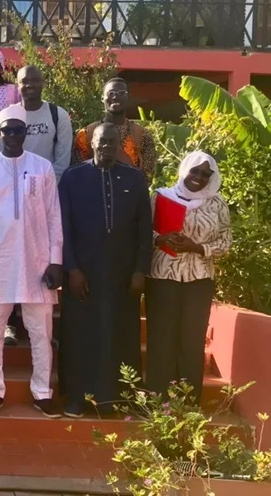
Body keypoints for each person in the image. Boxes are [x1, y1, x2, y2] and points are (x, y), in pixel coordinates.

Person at [0, 105, 63, 418]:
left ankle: (42, 392)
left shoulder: (42, 167)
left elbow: (53, 216)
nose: (12, 135)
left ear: (25, 132)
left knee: (41, 333)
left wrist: (55, 260)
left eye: (17, 130)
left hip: (37, 261)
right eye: (6, 130)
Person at [58, 123, 152, 418]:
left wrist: (140, 270)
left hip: (122, 275)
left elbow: (144, 229)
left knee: (119, 334)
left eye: (113, 142)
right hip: (83, 274)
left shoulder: (135, 178)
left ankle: (118, 399)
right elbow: (62, 228)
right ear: (92, 144)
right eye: (102, 141)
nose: (107, 146)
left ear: (119, 145)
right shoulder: (73, 177)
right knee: (79, 334)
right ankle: (76, 398)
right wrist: (71, 268)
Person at [146, 151, 231, 402]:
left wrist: (197, 247)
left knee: (192, 340)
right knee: (161, 337)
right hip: (163, 276)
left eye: (206, 174)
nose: (199, 177)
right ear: (185, 169)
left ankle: (188, 402)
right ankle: (158, 400)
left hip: (199, 279)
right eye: (195, 170)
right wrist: (160, 239)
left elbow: (225, 242)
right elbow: (141, 232)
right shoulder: (160, 197)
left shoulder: (217, 203)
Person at [0, 65, 73, 347]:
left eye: (35, 80)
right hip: (10, 199)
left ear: (43, 82)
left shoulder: (57, 115)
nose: (29, 85)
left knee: (38, 260)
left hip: (44, 197)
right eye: (24, 81)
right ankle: (11, 324)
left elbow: (62, 159)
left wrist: (44, 192)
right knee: (11, 260)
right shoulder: (9, 115)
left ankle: (39, 328)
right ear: (17, 84)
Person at [73, 78, 157, 184]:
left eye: (121, 93)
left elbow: (147, 175)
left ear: (128, 98)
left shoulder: (142, 135)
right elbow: (79, 172)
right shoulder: (86, 135)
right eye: (111, 93)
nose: (115, 96)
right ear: (102, 98)